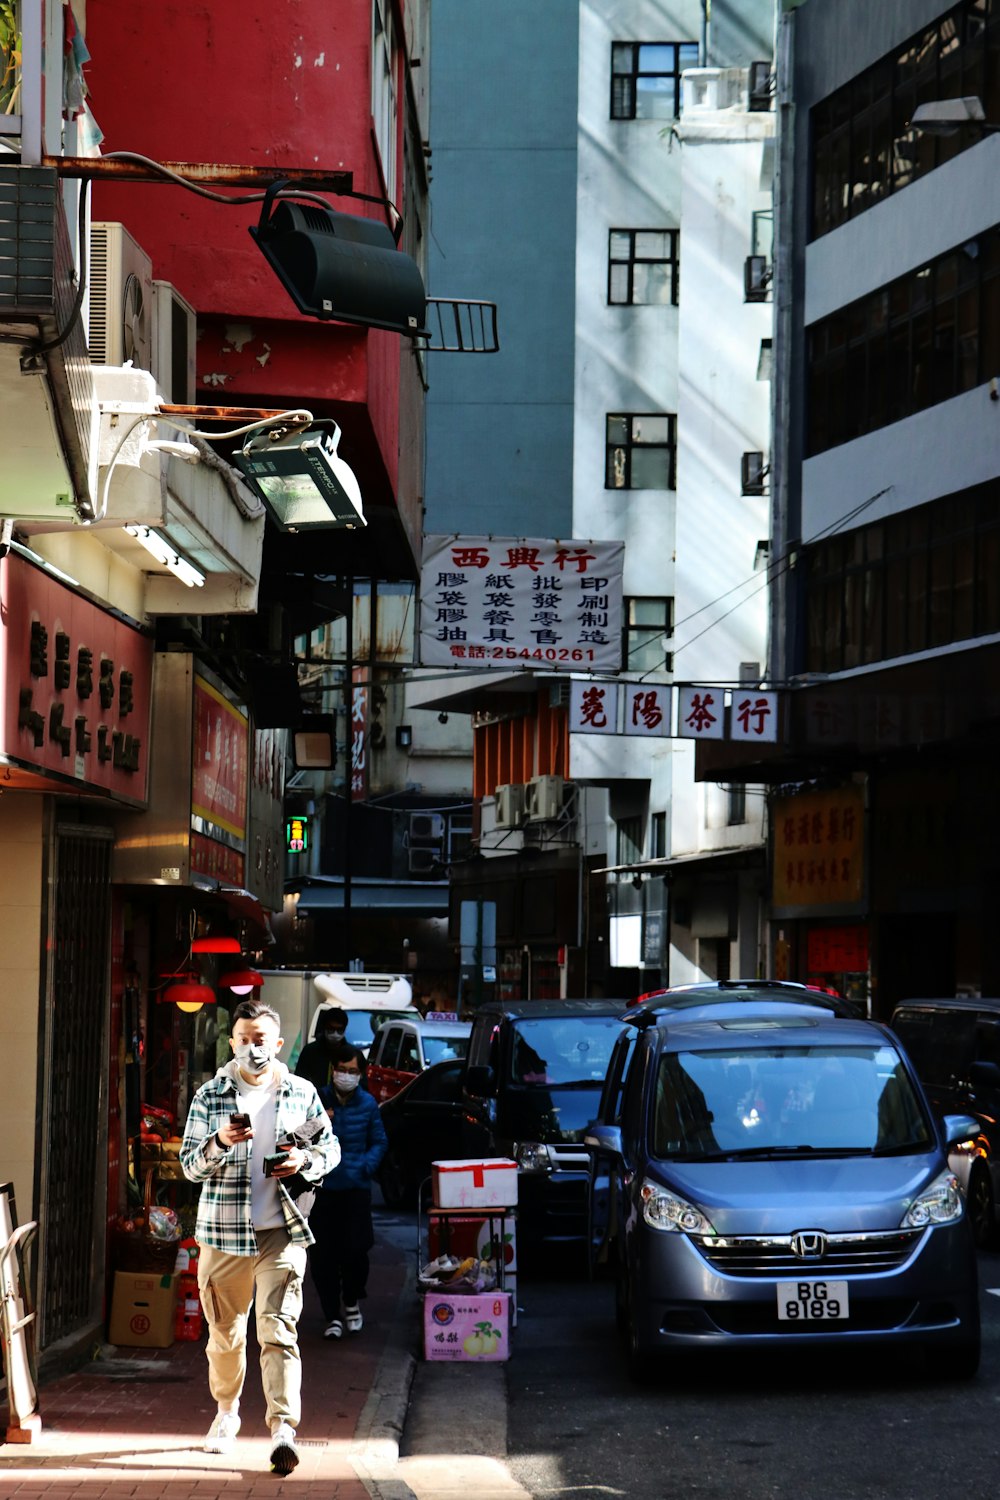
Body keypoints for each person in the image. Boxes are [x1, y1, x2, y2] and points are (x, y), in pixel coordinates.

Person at [180, 999, 338, 1475]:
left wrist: (303, 1163)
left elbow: (328, 1148)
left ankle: (283, 1430)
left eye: (261, 1039)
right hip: (223, 1234)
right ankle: (227, 1413)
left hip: (281, 1231)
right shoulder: (211, 1095)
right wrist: (218, 1144)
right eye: (245, 1038)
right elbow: (189, 1166)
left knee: (278, 1328)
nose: (253, 1047)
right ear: (233, 1042)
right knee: (225, 1336)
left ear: (279, 1043)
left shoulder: (301, 1092)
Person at [308, 1042, 388, 1339]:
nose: (346, 1075)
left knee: (356, 1251)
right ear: (333, 1071)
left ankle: (352, 1300)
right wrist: (319, 1122)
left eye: (352, 1071)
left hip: (355, 1190)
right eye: (342, 1070)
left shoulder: (367, 1105)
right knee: (322, 1257)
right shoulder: (316, 1100)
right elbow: (295, 1138)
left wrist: (365, 1166)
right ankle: (332, 1316)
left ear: (360, 1074)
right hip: (321, 1190)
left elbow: (379, 1142)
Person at [295, 1006, 350, 1090]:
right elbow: (299, 1080)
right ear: (324, 1028)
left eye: (339, 1030)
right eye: (331, 1029)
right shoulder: (310, 1051)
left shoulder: (352, 1054)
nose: (335, 1034)